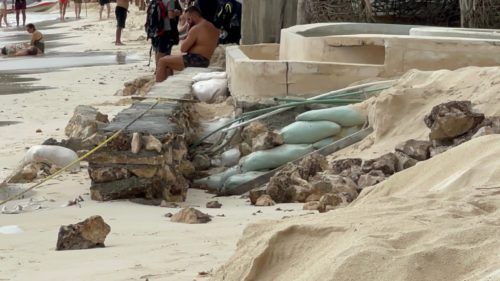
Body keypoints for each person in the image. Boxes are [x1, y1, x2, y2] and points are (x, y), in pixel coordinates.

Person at [155, 6, 219, 82]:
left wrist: (189, 30)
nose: (187, 22)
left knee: (162, 61)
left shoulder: (196, 28)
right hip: (205, 60)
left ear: (192, 16)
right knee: (168, 62)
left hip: (195, 59)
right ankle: (167, 84)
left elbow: (183, 49)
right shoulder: (211, 26)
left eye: (188, 19)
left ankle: (158, 87)